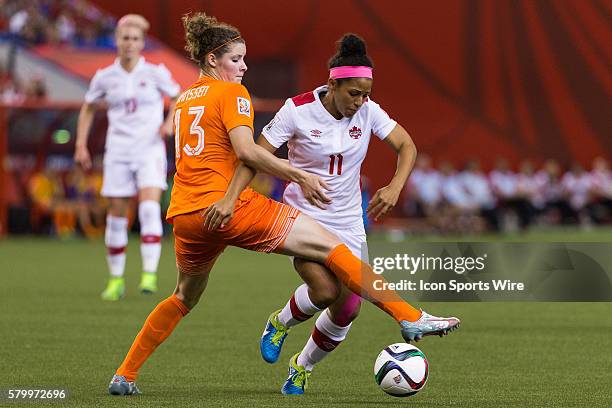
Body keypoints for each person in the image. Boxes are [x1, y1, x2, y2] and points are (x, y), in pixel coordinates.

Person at [107, 13, 459, 396]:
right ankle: (410, 316)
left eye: (244, 59)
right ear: (212, 59)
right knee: (333, 250)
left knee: (182, 297)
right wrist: (298, 175)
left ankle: (125, 374)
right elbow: (248, 152)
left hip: (186, 214)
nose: (244, 67)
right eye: (236, 59)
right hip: (230, 208)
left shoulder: (185, 98)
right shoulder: (233, 94)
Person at [249, 33, 422, 394]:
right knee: (326, 290)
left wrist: (393, 187)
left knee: (349, 309)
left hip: (349, 222)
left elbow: (406, 145)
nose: (360, 102)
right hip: (303, 219)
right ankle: (279, 323)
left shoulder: (369, 111)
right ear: (332, 84)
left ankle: (302, 366)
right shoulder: (296, 110)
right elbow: (257, 154)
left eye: (366, 94)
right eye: (353, 93)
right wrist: (297, 175)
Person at [74, 14, 180, 300]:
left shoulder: (155, 72)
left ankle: (149, 274)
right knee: (117, 215)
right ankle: (116, 279)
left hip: (149, 148)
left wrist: (169, 121)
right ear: (117, 42)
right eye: (125, 38)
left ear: (142, 43)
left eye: (135, 39)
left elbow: (179, 97)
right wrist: (81, 145)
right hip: (118, 150)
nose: (130, 43)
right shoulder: (105, 77)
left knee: (148, 208)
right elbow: (88, 107)